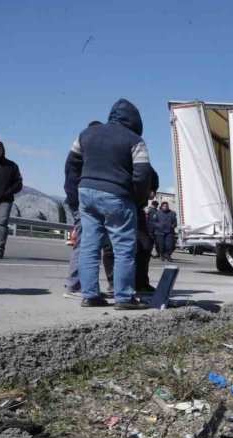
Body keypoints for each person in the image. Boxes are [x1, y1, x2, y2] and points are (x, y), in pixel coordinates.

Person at [64, 98, 152, 310]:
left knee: (89, 246)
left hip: (86, 192)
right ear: (135, 121)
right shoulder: (134, 140)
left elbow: (71, 166)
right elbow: (142, 174)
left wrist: (75, 196)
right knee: (123, 249)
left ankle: (90, 295)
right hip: (117, 196)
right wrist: (138, 201)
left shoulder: (86, 133)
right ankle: (123, 297)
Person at [64, 121, 115, 299]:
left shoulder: (81, 155)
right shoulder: (82, 158)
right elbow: (72, 179)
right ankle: (76, 285)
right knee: (85, 243)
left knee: (88, 242)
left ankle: (80, 285)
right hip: (81, 202)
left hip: (80, 201)